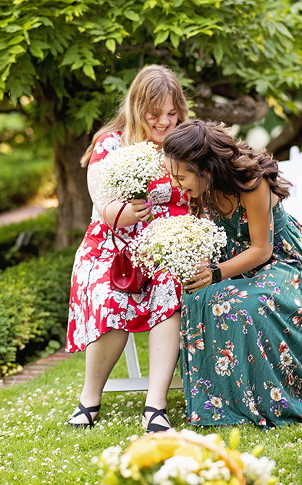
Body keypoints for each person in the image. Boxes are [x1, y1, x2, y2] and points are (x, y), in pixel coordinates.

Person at [162, 120, 302, 429]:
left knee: (251, 304)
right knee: (197, 297)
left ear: (205, 169)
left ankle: (269, 396)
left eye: (181, 176)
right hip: (231, 266)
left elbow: (262, 250)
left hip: (282, 263)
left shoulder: (251, 181)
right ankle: (224, 399)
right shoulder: (200, 190)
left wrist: (214, 272)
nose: (176, 183)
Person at [66, 65, 188, 433]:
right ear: (137, 108)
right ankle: (89, 398)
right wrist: (123, 211)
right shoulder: (110, 144)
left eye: (172, 113)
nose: (165, 122)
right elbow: (103, 205)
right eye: (156, 115)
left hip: (165, 246)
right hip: (112, 249)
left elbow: (199, 194)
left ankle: (156, 406)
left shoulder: (185, 143)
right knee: (112, 296)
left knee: (170, 285)